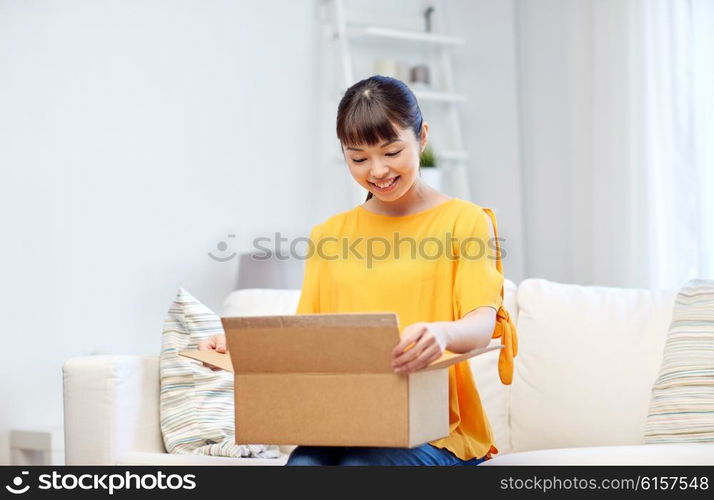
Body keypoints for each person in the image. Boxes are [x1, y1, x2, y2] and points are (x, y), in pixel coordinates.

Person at [199, 75, 516, 466]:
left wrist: (442, 332)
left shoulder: (465, 222)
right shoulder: (329, 234)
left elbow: (481, 323)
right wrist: (243, 346)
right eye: (359, 158)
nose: (378, 171)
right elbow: (308, 339)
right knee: (301, 467)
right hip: (344, 423)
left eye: (391, 151)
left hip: (437, 430)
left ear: (422, 137)